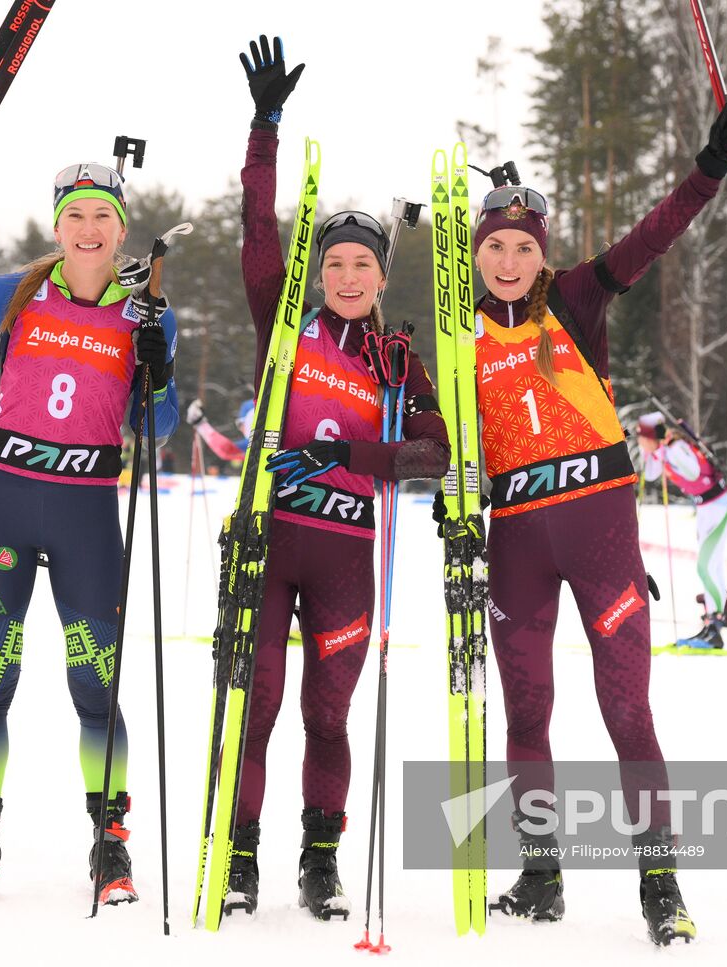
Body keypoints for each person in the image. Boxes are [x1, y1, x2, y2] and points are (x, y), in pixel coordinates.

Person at [435, 105, 727, 944]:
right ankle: (541, 875)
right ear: (475, 256)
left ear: (543, 252)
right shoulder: (455, 335)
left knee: (627, 710)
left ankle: (660, 884)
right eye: (493, 248)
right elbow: (435, 443)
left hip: (602, 537)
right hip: (516, 548)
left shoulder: (573, 299)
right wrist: (433, 479)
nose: (508, 261)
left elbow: (649, 240)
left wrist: (706, 172)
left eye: (523, 247)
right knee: (526, 712)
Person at [0, 162, 179, 906]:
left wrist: (160, 370)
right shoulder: (13, 294)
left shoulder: (147, 311)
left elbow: (161, 427)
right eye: (76, 215)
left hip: (87, 514)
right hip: (2, 507)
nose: (88, 230)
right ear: (58, 226)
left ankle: (110, 846)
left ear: (119, 227)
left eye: (102, 217)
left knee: (96, 689)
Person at [225, 34, 449, 922]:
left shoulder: (396, 359)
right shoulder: (285, 325)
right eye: (335, 264)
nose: (347, 275)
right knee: (260, 703)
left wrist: (349, 457)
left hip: (349, 549)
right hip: (273, 538)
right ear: (318, 274)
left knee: (327, 712)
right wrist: (264, 131)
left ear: (382, 275)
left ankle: (321, 858)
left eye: (363, 264)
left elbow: (433, 451)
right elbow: (256, 225)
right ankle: (238, 852)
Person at [637, 411, 727, 648]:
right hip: (705, 510)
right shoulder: (661, 449)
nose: (640, 442)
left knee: (705, 567)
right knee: (711, 567)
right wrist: (649, 451)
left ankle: (715, 626)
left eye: (642, 438)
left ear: (653, 436)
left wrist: (662, 451)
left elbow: (692, 471)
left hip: (720, 507)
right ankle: (711, 626)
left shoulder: (676, 447)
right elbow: (651, 474)